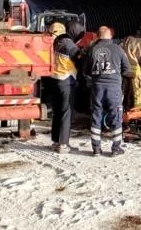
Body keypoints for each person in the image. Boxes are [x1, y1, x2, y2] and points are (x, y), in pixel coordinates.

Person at [83, 26, 131, 156]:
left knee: (96, 116)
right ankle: (116, 149)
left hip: (97, 88)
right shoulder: (118, 49)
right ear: (110, 36)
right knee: (115, 116)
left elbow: (85, 71)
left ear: (98, 36)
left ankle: (96, 149)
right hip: (114, 89)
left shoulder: (92, 50)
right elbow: (127, 69)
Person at [47, 22, 80, 154]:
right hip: (66, 80)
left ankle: (56, 141)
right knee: (66, 113)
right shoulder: (67, 42)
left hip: (54, 80)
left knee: (57, 113)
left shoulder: (51, 44)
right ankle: (63, 144)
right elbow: (79, 56)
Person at [120, 22, 141, 110]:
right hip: (136, 74)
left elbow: (118, 51)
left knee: (123, 93)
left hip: (123, 72)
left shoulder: (127, 39)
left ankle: (120, 112)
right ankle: (135, 115)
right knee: (137, 96)